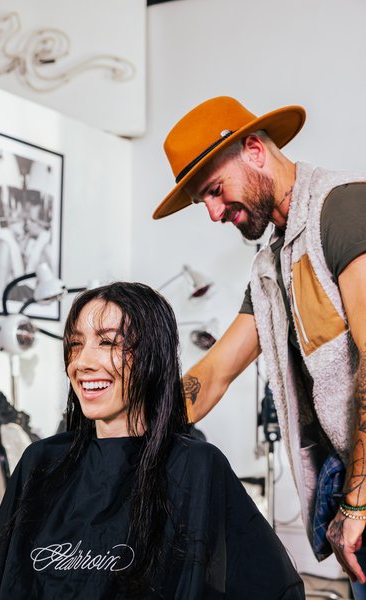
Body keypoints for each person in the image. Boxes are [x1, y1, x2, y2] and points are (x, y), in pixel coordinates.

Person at [152, 95, 366, 599]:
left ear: (253, 150)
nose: (212, 213)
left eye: (214, 190)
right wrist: (140, 425)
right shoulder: (271, 267)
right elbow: (218, 370)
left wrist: (356, 500)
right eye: (202, 201)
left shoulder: (344, 208)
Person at [0, 282, 304, 599]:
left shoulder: (196, 466)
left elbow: (270, 586)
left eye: (109, 342)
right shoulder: (40, 461)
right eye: (75, 344)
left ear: (150, 357)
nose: (82, 362)